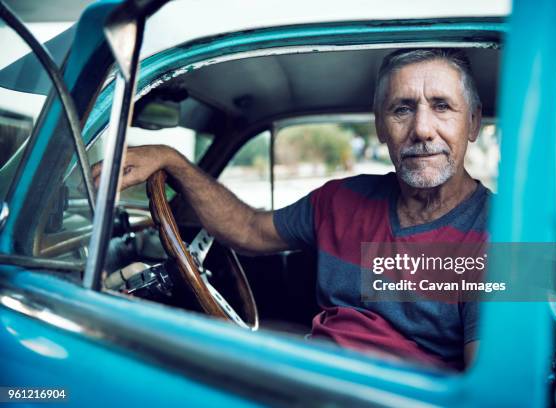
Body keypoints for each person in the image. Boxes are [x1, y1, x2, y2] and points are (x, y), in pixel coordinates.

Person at [93, 49, 490, 370]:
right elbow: (249, 228)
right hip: (311, 370)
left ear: (472, 123)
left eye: (442, 106)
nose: (422, 128)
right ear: (382, 127)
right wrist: (172, 161)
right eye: (402, 108)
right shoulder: (340, 201)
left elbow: (492, 393)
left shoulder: (506, 237)